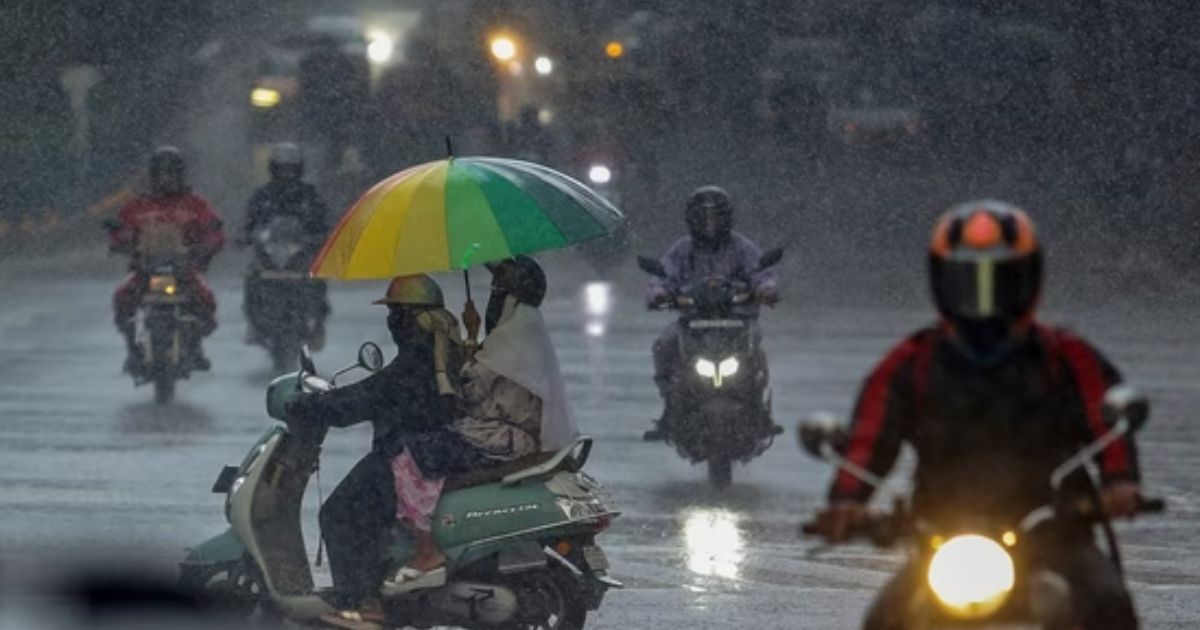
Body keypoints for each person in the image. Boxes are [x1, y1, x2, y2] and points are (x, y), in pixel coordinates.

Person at [806, 200, 1144, 630]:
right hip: (940, 541)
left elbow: (1108, 422)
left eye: (1002, 281)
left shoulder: (1065, 357)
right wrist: (847, 504)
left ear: (1029, 280)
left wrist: (1121, 484)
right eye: (968, 282)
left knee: (1109, 604)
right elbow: (869, 437)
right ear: (941, 283)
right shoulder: (913, 363)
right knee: (884, 620)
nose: (985, 301)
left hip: (1056, 535)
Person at [287, 275, 465, 627]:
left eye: (395, 313)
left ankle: (363, 602)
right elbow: (374, 390)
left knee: (338, 514)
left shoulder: (418, 360)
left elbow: (365, 398)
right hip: (427, 449)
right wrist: (327, 401)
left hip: (411, 454)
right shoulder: (440, 351)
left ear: (409, 316)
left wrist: (313, 406)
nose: (392, 321)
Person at [644, 186, 778, 439]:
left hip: (738, 322)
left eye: (716, 217)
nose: (710, 224)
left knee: (755, 348)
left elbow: (761, 272)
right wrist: (659, 293)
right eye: (704, 218)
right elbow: (663, 275)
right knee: (664, 344)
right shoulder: (682, 250)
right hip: (693, 323)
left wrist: (766, 289)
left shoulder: (742, 248)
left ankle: (757, 408)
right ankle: (670, 407)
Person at [109, 146, 224, 373]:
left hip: (183, 270)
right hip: (146, 269)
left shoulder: (195, 204)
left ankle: (196, 345)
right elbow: (122, 228)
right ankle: (133, 348)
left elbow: (212, 228)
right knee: (123, 296)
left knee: (204, 297)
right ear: (152, 176)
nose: (166, 179)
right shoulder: (138, 205)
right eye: (161, 174)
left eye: (171, 173)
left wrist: (208, 245)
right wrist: (120, 240)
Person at [241, 142, 331, 346]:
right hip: (269, 254)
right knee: (252, 277)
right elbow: (250, 222)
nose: (286, 173)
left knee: (317, 279)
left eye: (291, 168)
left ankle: (317, 324)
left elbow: (322, 221)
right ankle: (254, 323)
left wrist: (321, 237)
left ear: (299, 169)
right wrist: (246, 236)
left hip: (300, 253)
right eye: (282, 168)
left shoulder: (309, 195)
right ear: (273, 169)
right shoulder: (262, 196)